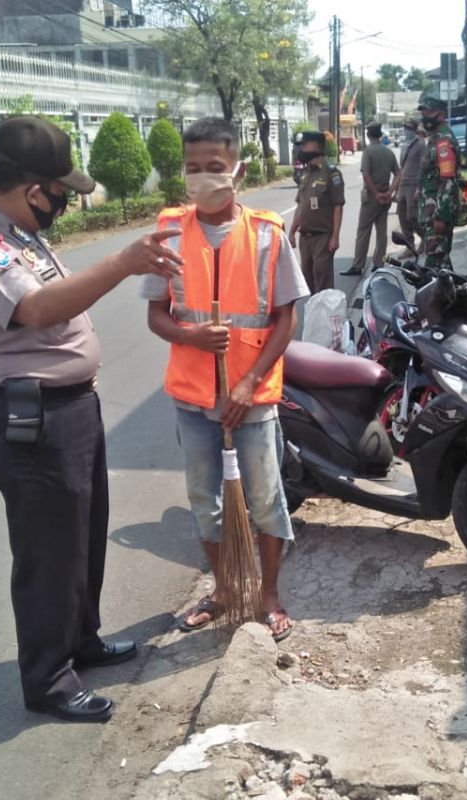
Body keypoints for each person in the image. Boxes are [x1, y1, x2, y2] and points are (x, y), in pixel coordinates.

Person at [0, 116, 182, 723]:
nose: (63, 202)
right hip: (36, 423)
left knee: (82, 538)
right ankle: (49, 680)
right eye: (60, 192)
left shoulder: (22, 235)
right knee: (49, 557)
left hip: (73, 410)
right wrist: (123, 263)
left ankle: (79, 640)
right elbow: (33, 307)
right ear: (34, 190)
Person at [143, 118, 309, 643]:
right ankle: (222, 591)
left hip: (252, 402)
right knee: (204, 501)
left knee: (265, 501)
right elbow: (156, 315)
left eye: (213, 167)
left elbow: (286, 318)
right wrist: (192, 338)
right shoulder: (169, 229)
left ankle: (269, 596)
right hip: (193, 401)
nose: (201, 178)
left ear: (237, 169)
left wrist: (248, 383)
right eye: (192, 169)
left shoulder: (266, 233)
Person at [288, 131, 344, 293]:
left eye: (305, 145)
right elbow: (301, 206)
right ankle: (314, 315)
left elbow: (337, 206)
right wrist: (292, 232)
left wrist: (335, 237)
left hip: (323, 238)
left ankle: (325, 317)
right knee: (308, 282)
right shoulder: (305, 174)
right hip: (305, 238)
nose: (302, 149)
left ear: (316, 146)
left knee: (323, 281)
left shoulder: (331, 174)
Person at [345, 122, 399, 277]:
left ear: (368, 136)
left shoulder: (368, 152)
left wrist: (375, 193)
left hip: (371, 198)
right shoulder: (388, 153)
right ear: (380, 135)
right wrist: (389, 191)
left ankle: (357, 265)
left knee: (363, 231)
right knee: (382, 232)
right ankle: (379, 263)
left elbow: (366, 175)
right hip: (385, 198)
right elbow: (398, 174)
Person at [416, 95, 460, 268]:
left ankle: (455, 294)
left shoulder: (443, 142)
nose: (425, 117)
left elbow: (447, 180)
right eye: (423, 113)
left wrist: (440, 216)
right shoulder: (435, 139)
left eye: (428, 112)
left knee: (436, 265)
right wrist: (419, 191)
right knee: (440, 263)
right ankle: (456, 294)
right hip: (432, 211)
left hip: (438, 213)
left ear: (440, 115)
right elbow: (432, 175)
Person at [394, 118, 426, 249]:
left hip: (413, 184)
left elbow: (423, 167)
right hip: (403, 184)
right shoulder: (404, 145)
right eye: (405, 128)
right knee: (402, 217)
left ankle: (425, 237)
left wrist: (419, 189)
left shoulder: (421, 144)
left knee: (412, 216)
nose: (406, 131)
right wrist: (395, 188)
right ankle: (410, 246)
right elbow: (401, 168)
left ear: (414, 130)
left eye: (408, 129)